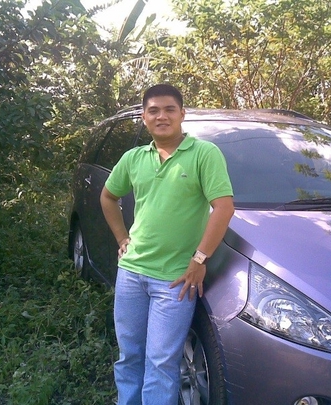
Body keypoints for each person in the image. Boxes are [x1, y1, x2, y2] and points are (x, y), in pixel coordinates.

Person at [100, 83, 234, 405]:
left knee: (161, 363)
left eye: (169, 109)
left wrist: (199, 259)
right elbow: (108, 197)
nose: (162, 116)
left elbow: (224, 207)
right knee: (130, 356)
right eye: (154, 110)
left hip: (175, 280)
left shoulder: (204, 154)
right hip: (131, 273)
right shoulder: (133, 158)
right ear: (144, 117)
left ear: (182, 114)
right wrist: (121, 238)